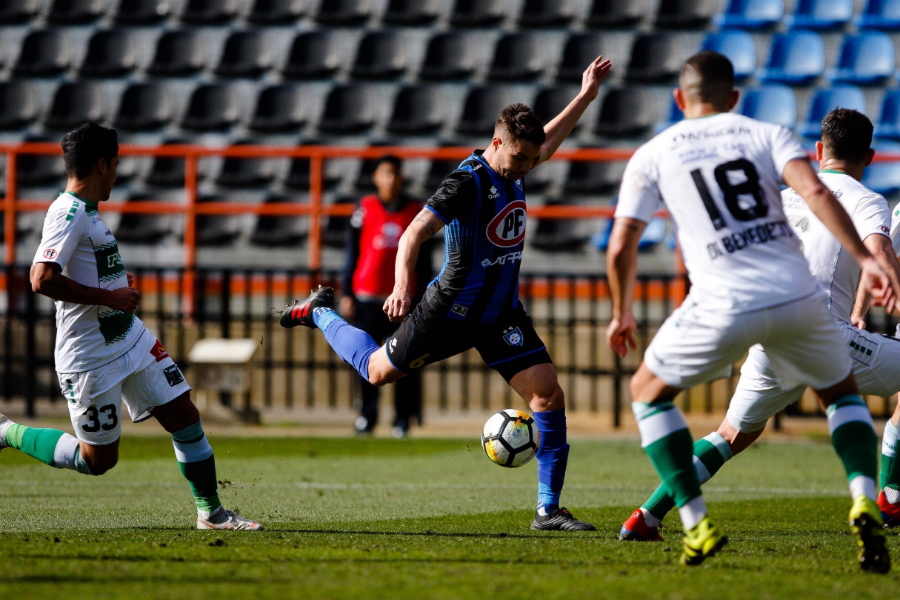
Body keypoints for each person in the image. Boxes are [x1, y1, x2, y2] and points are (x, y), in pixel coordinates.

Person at [281, 56, 612, 531]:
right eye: (519, 156)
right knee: (377, 373)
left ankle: (547, 510)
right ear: (496, 142)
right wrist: (401, 285)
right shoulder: (467, 181)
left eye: (529, 157)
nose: (527, 165)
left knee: (548, 395)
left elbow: (546, 144)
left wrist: (584, 97)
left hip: (499, 315)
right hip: (449, 310)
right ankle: (319, 314)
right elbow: (414, 232)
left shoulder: (515, 164)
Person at [606, 52, 897, 571]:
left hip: (734, 307)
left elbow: (621, 243)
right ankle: (877, 497)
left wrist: (622, 310)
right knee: (841, 395)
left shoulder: (661, 153)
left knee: (722, 430)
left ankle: (652, 518)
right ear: (869, 157)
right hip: (804, 314)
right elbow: (843, 213)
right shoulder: (774, 141)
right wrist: (873, 263)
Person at [4, 122, 261, 531]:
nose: (118, 174)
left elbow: (84, 272)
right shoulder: (68, 212)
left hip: (128, 337)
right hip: (88, 356)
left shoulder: (88, 213)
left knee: (185, 416)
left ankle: (211, 514)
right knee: (98, 461)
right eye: (117, 164)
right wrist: (110, 296)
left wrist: (116, 288)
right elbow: (41, 278)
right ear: (103, 164)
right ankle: (7, 431)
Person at [340, 155, 430, 438]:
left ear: (402, 177)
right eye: (385, 173)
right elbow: (351, 253)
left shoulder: (417, 210)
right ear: (376, 178)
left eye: (395, 173)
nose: (390, 180)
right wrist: (347, 292)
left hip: (404, 301)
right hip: (368, 297)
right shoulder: (364, 209)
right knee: (366, 361)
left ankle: (402, 418)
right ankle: (367, 415)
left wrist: (423, 295)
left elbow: (425, 259)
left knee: (404, 361)